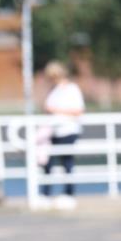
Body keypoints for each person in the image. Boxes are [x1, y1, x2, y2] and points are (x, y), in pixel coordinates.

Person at [40, 61, 85, 209]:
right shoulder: (53, 90)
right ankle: (46, 193)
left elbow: (78, 111)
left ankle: (69, 193)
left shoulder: (72, 89)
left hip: (68, 130)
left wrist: (56, 110)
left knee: (67, 162)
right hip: (53, 131)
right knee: (47, 162)